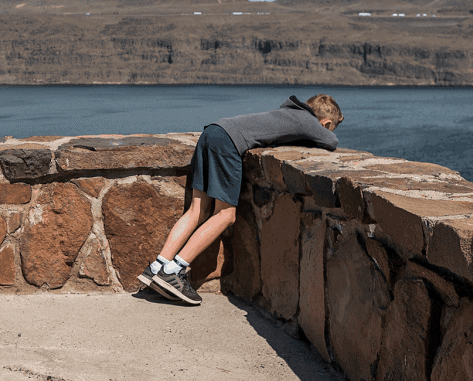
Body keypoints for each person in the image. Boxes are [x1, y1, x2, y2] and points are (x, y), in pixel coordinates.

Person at [140, 94, 342, 305]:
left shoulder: (290, 113)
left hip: (212, 132)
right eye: (329, 126)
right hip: (228, 144)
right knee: (226, 215)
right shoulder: (307, 120)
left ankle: (156, 267)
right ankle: (174, 271)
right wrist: (321, 133)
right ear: (325, 123)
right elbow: (331, 141)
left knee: (197, 210)